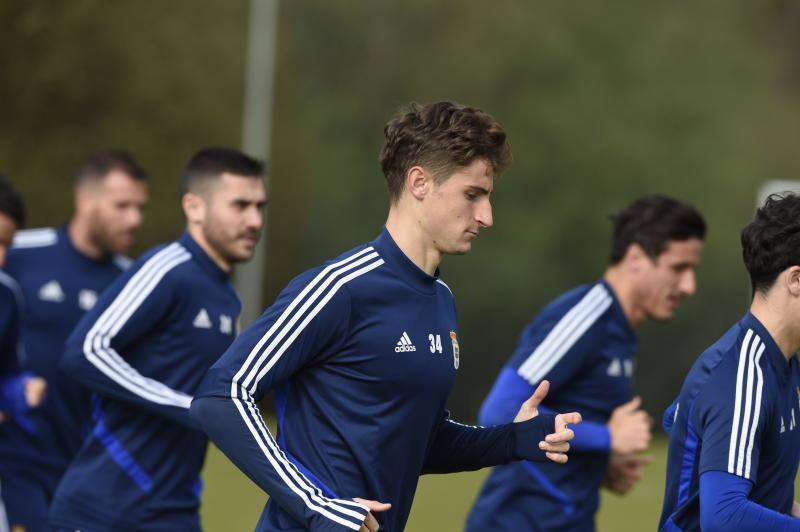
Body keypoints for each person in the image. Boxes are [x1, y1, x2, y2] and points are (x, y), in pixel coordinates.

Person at [190, 101, 581, 532]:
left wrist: (512, 439)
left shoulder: (441, 300)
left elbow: (421, 441)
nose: (486, 216)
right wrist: (319, 505)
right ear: (419, 183)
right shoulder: (341, 288)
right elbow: (221, 397)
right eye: (472, 195)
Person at [48, 147, 267, 531]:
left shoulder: (227, 297)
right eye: (240, 205)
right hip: (105, 510)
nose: (255, 221)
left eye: (260, 206)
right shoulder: (168, 268)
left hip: (176, 511)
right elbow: (84, 351)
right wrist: (188, 406)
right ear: (194, 207)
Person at [466, 195, 706, 532]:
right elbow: (501, 411)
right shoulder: (586, 317)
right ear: (636, 257)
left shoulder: (622, 330)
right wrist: (608, 437)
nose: (689, 286)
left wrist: (600, 463)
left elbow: (560, 427)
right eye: (678, 268)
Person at [0, 153, 147, 532]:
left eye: (140, 208)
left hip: (89, 472)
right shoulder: (18, 251)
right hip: (17, 462)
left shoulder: (137, 282)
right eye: (122, 206)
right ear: (85, 199)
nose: (135, 218)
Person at [659, 193, 800, 531]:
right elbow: (723, 517)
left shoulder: (782, 362)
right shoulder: (742, 373)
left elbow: (678, 417)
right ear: (796, 280)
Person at [0, 174, 46, 423]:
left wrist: (22, 391)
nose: (2, 259)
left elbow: (7, 373)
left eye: (6, 245)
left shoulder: (7, 295)